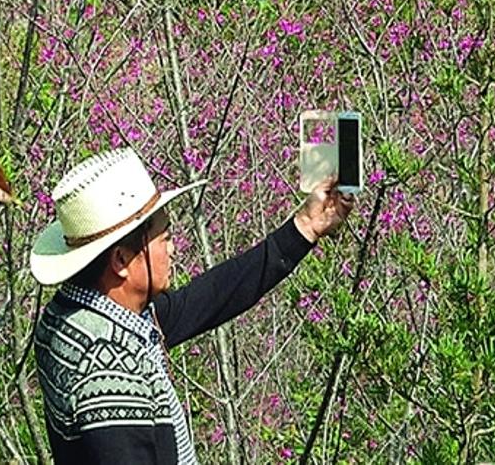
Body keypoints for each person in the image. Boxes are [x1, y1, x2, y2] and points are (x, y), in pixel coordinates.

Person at [29, 147, 355, 464]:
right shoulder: (109, 369)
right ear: (121, 260)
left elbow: (209, 297)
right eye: (164, 238)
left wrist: (306, 227)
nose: (173, 250)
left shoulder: (75, 313)